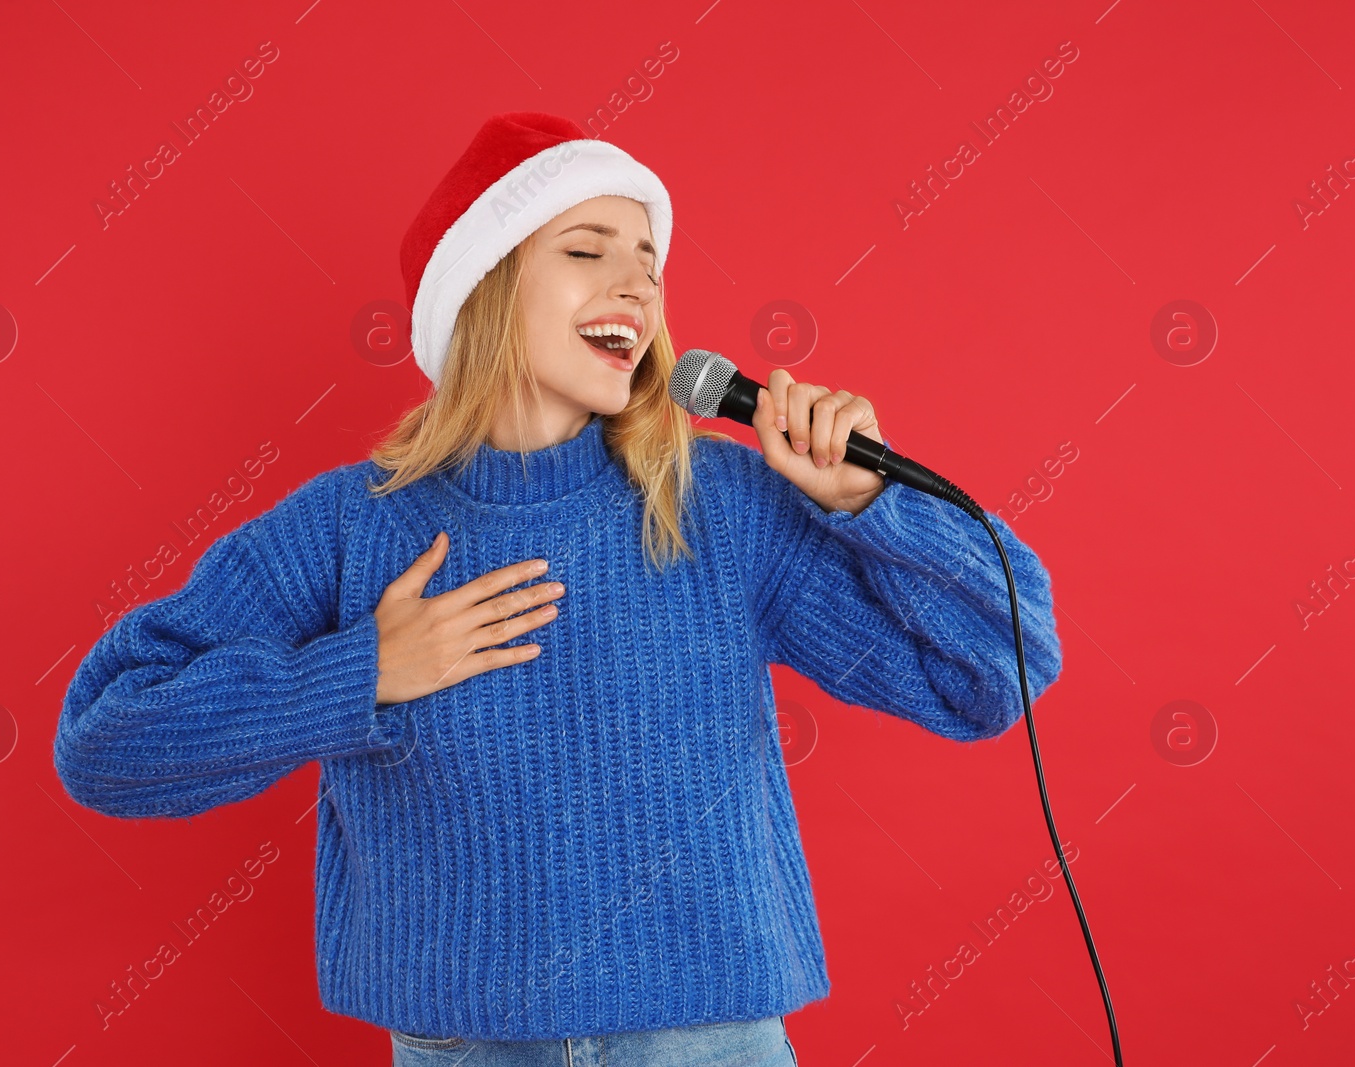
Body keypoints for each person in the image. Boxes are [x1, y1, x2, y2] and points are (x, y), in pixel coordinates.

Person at [53, 112, 1063, 1066]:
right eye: (587, 250)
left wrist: (873, 504)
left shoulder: (717, 504)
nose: (634, 284)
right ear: (481, 286)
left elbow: (993, 672)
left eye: (647, 262)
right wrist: (366, 671)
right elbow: (106, 741)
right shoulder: (348, 525)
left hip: (703, 1041)